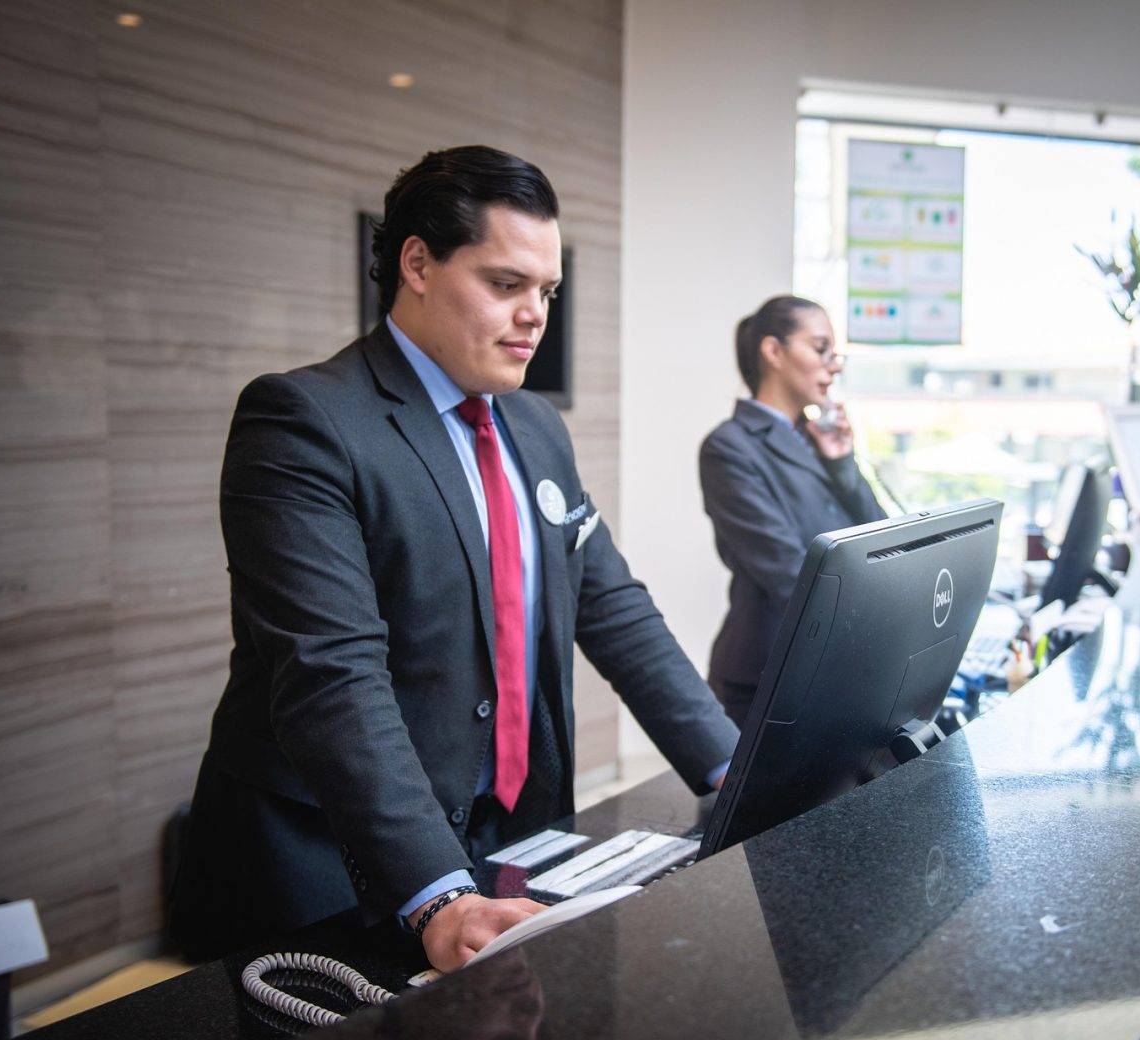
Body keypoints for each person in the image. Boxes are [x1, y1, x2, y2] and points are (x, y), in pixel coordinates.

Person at [169, 146, 737, 969]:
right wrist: (436, 890)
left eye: (546, 292)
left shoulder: (535, 426)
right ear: (418, 264)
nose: (534, 315)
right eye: (505, 284)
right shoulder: (303, 422)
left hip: (502, 837)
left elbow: (613, 606)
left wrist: (732, 767)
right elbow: (331, 673)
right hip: (327, 859)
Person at [698, 296, 887, 727]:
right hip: (771, 676)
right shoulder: (729, 447)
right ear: (773, 351)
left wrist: (843, 464)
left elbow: (881, 537)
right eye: (820, 349)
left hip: (834, 668)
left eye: (835, 355)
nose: (833, 367)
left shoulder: (818, 438)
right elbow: (788, 571)